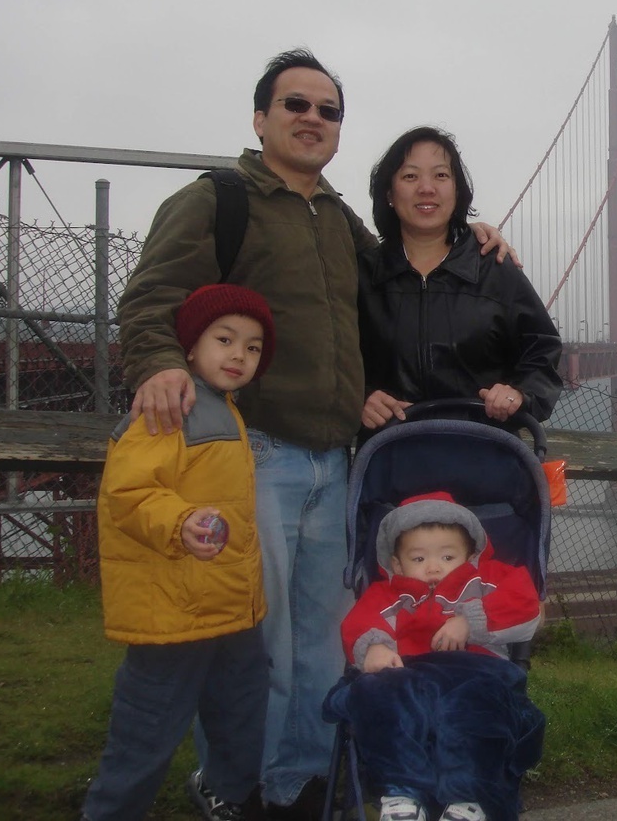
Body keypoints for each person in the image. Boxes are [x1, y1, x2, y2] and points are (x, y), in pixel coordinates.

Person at [117, 51, 515, 820]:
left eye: (328, 110)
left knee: (322, 640)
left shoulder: (337, 220)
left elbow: (399, 273)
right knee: (257, 643)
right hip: (253, 450)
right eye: (294, 104)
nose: (312, 118)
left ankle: (299, 786)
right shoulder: (216, 201)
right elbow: (152, 297)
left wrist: (468, 237)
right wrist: (160, 364)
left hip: (335, 458)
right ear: (260, 117)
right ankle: (237, 786)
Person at [83, 285, 275, 821]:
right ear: (189, 347)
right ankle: (110, 811)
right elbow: (128, 493)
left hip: (231, 607)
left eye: (253, 347)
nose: (239, 355)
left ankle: (230, 795)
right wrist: (179, 520)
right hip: (174, 610)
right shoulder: (167, 408)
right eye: (224, 340)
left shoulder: (226, 410)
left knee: (242, 710)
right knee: (148, 727)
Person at [328, 492, 546, 821]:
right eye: (418, 559)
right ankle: (402, 794)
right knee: (378, 693)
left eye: (447, 557)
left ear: (471, 556)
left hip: (476, 673)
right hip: (408, 674)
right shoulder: (386, 594)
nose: (434, 567)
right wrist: (373, 646)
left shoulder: (487, 580)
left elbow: (527, 606)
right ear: (397, 564)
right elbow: (360, 622)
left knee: (477, 709)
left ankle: (469, 800)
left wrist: (469, 622)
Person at [357, 125, 563, 434]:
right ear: (389, 193)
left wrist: (520, 392)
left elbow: (542, 347)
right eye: (410, 176)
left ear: (457, 190)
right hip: (390, 455)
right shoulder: (362, 273)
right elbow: (328, 359)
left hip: (482, 452)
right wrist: (360, 397)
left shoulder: (494, 267)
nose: (427, 188)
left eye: (441, 175)